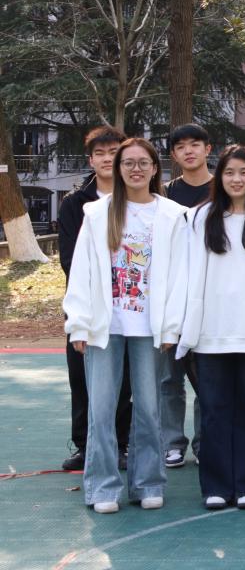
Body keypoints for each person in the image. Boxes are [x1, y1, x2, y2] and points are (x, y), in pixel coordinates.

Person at [63, 138, 188, 513]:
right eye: (128, 163)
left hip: (150, 329)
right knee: (101, 410)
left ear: (155, 168)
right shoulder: (97, 213)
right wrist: (79, 323)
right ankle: (102, 487)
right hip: (105, 327)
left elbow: (180, 275)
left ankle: (148, 482)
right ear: (118, 169)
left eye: (143, 162)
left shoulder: (173, 215)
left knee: (149, 409)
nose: (136, 169)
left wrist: (172, 327)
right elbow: (82, 271)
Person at [177, 145, 245, 510]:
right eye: (229, 172)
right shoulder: (199, 218)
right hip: (211, 333)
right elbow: (187, 274)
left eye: (243, 172)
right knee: (215, 409)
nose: (237, 179)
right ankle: (217, 486)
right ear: (219, 176)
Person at [57, 125, 131, 472]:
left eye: (113, 153)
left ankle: (120, 444)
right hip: (87, 302)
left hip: (129, 302)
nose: (106, 159)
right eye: (99, 153)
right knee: (82, 377)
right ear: (90, 160)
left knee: (124, 381)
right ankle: (85, 446)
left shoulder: (137, 199)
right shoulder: (75, 203)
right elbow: (70, 259)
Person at [160, 123, 213, 469]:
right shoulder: (164, 195)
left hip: (209, 300)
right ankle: (172, 443)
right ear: (174, 155)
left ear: (208, 149)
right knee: (169, 378)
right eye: (181, 147)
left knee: (206, 379)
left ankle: (204, 442)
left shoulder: (223, 189)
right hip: (170, 300)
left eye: (195, 144)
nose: (189, 151)